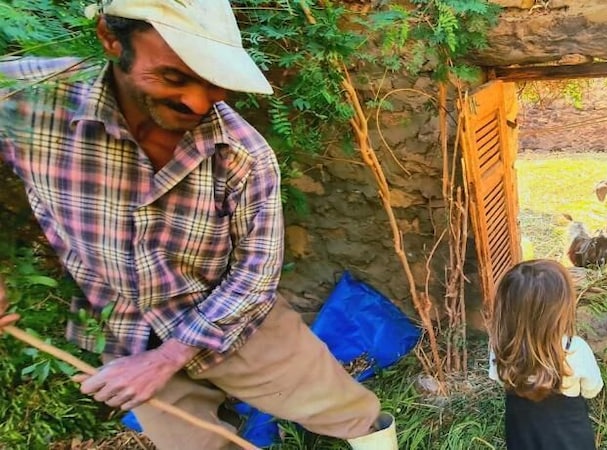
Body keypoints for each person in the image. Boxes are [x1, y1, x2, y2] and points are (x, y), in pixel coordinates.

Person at [0, 1, 396, 449]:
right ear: (111, 39)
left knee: (349, 413)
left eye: (214, 83)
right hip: (127, 332)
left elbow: (255, 275)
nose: (196, 101)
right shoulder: (22, 97)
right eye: (173, 76)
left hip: (231, 318)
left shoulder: (244, 156)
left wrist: (170, 356)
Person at [488, 259, 604, 450]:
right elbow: (593, 389)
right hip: (570, 441)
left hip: (523, 438)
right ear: (561, 310)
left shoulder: (501, 347)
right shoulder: (575, 349)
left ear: (506, 308)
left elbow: (500, 380)